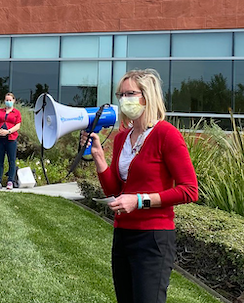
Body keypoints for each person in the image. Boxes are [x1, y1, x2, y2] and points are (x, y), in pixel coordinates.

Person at [82, 69, 198, 303]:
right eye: (120, 95)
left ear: (147, 95)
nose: (124, 100)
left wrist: (139, 201)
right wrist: (99, 158)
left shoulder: (167, 134)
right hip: (123, 235)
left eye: (129, 93)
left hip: (153, 238)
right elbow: (115, 190)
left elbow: (190, 190)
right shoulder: (122, 137)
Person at [0, 92, 21, 190]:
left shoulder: (16, 113)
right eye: (6, 100)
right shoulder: (0, 111)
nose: (8, 102)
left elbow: (18, 125)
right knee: (0, 161)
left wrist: (8, 131)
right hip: (0, 139)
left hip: (11, 139)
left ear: (13, 101)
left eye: (10, 100)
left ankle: (10, 181)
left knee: (11, 160)